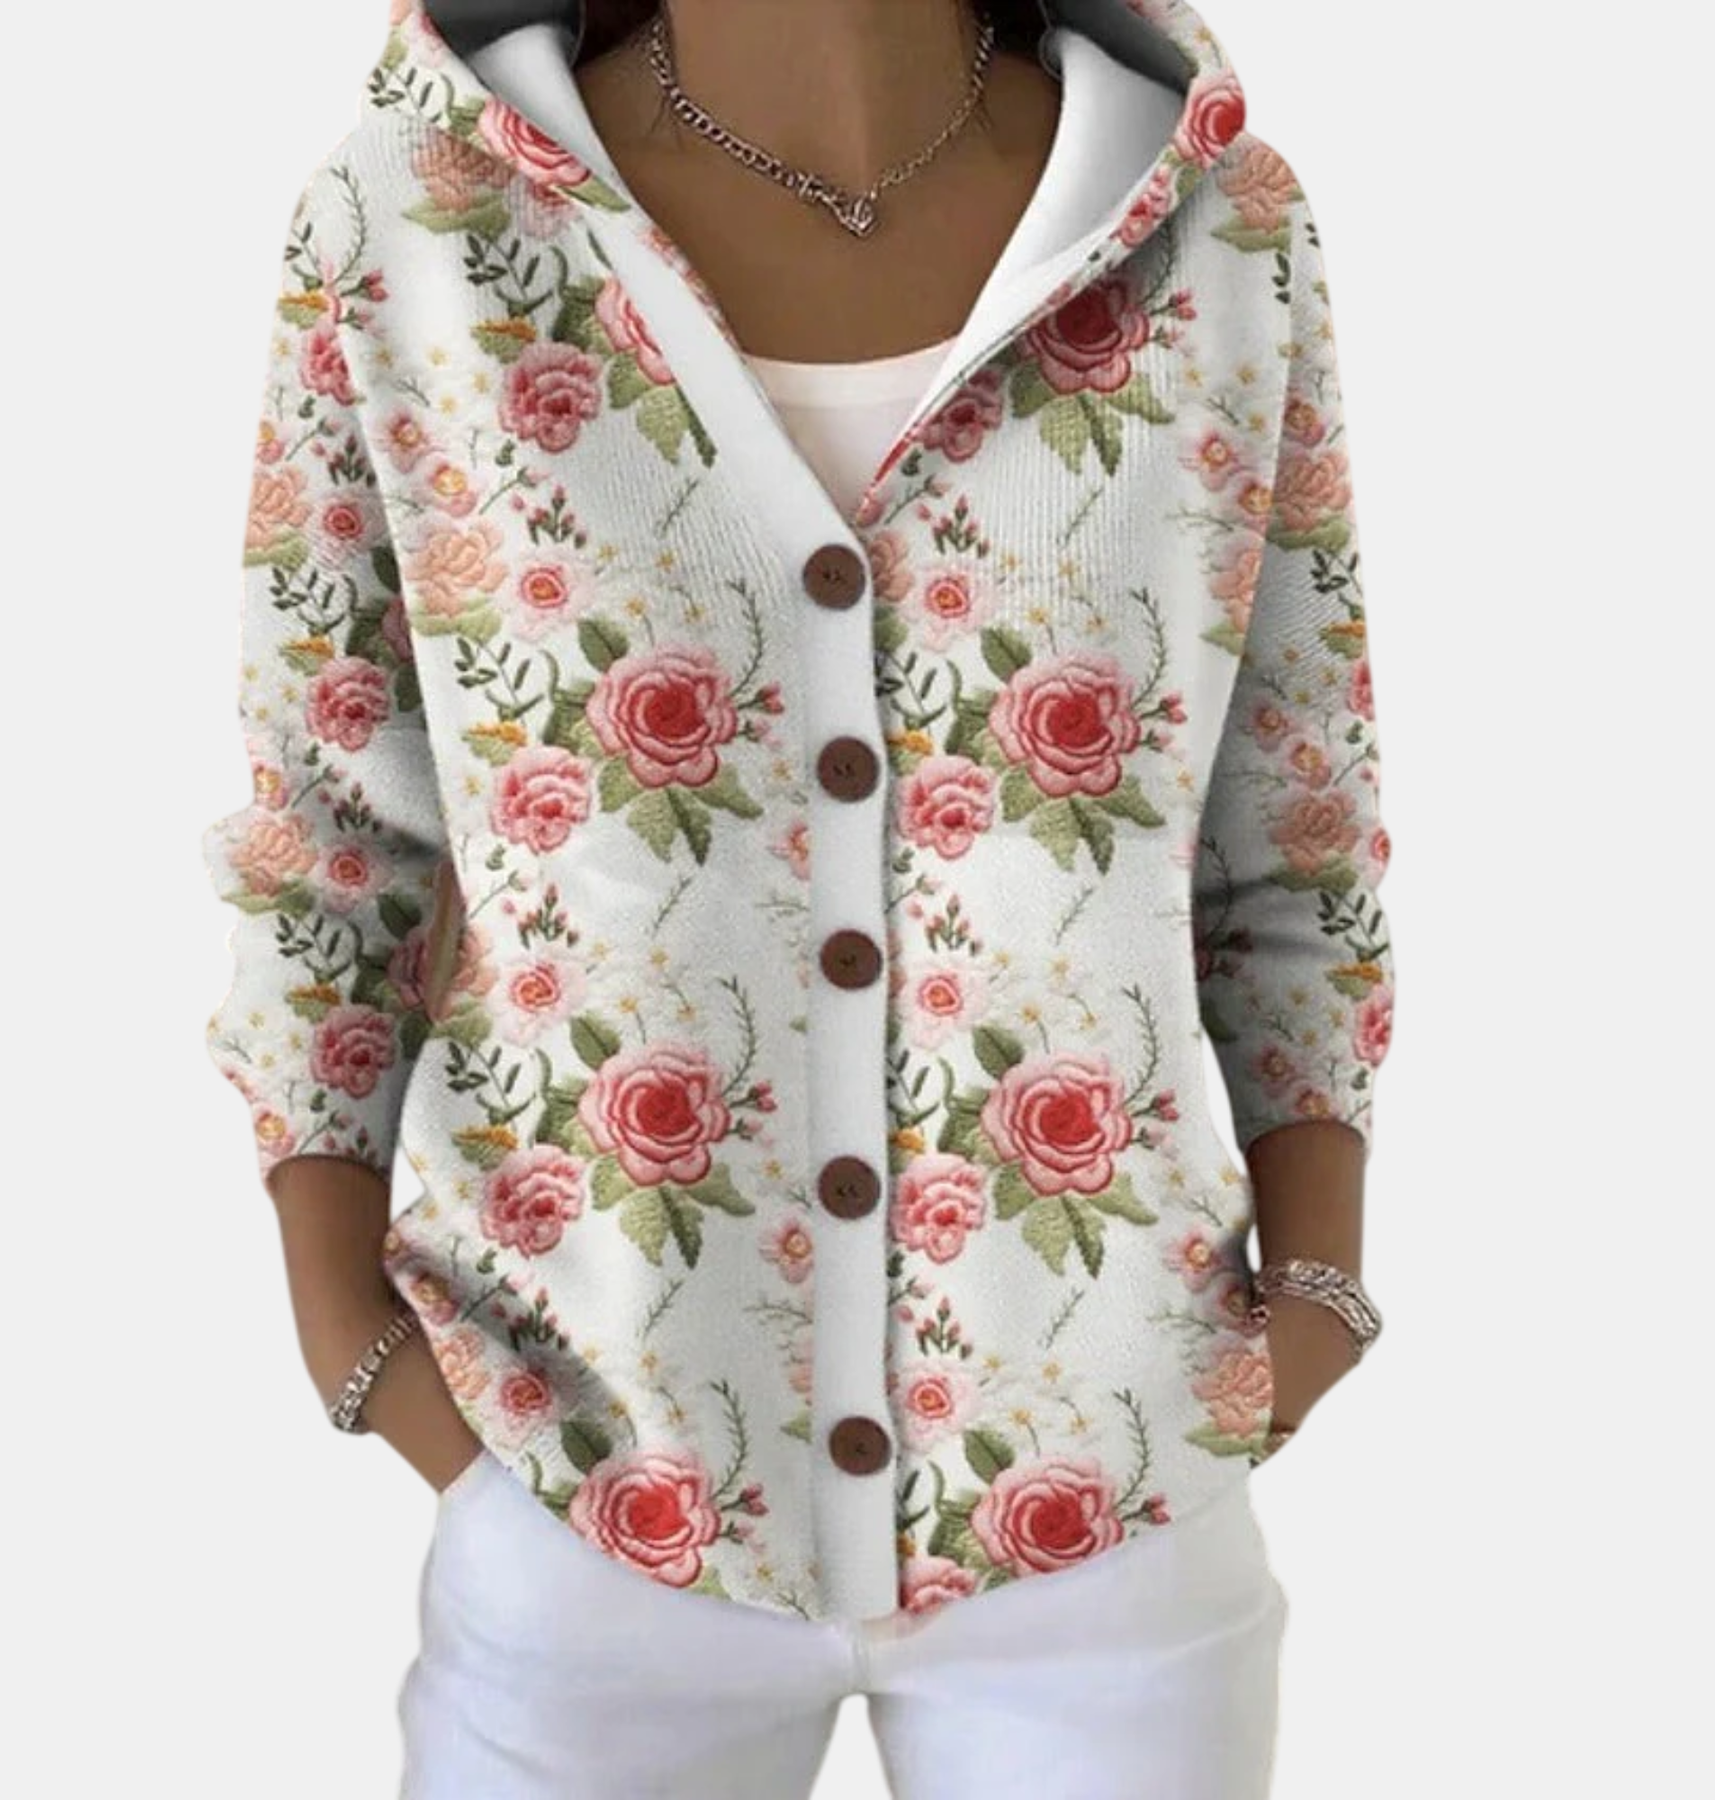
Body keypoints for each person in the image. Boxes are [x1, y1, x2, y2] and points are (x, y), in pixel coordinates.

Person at [201, 1, 1394, 1793]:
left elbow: (1295, 821)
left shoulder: (1212, 226)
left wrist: (1315, 1297)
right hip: (585, 1480)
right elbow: (332, 834)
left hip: (1111, 1507)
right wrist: (355, 1348)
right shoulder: (415, 222)